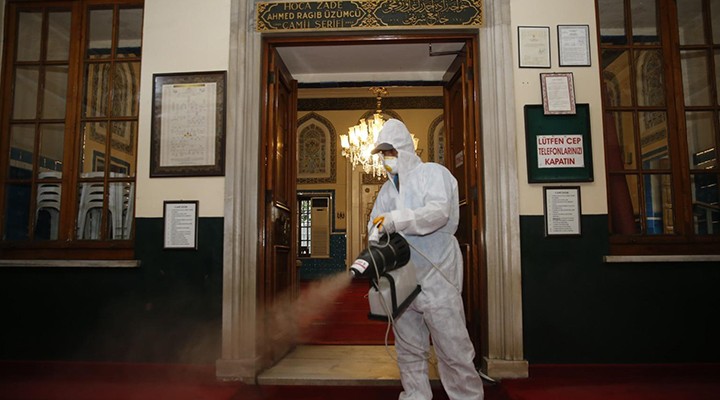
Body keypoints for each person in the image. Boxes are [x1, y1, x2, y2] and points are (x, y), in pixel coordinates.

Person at [367, 119, 484, 400]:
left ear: (405, 149)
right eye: (383, 153)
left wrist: (397, 220)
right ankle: (416, 395)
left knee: (452, 345)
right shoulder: (386, 191)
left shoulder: (432, 174)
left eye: (390, 152)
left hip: (437, 272)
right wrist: (375, 239)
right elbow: (374, 223)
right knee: (408, 346)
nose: (386, 159)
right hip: (402, 276)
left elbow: (438, 213)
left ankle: (467, 397)